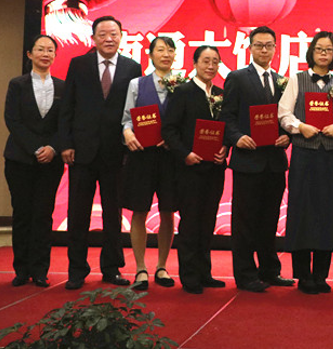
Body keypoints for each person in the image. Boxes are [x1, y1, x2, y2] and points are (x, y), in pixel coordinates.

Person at [59, 15, 142, 290]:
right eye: (103, 34)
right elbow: (67, 106)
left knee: (113, 214)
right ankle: (76, 270)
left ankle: (111, 268)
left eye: (114, 34)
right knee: (78, 213)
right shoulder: (78, 64)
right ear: (93, 38)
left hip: (116, 152)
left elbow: (136, 109)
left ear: (121, 36)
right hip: (82, 152)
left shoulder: (132, 67)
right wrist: (66, 143)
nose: (109, 39)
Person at [220, 26, 294, 292]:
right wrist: (237, 137)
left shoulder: (283, 80)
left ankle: (270, 271)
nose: (264, 50)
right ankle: (245, 274)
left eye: (269, 45)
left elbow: (288, 118)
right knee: (245, 221)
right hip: (247, 160)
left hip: (274, 162)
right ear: (250, 48)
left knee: (269, 220)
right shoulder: (237, 77)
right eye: (259, 45)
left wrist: (288, 136)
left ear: (275, 49)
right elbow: (227, 116)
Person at [278, 31, 333, 294]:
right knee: (302, 211)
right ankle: (303, 274)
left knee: (328, 212)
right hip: (304, 153)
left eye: (328, 50)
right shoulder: (297, 79)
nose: (323, 54)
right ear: (311, 51)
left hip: (330, 154)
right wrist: (299, 126)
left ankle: (321, 274)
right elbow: (283, 113)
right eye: (319, 49)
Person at [162, 45, 228, 294]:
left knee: (208, 221)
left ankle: (204, 272)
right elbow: (169, 129)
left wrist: (225, 148)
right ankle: (189, 276)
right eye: (206, 61)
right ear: (195, 64)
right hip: (189, 168)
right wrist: (185, 154)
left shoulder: (221, 94)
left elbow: (227, 128)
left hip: (214, 169)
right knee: (190, 222)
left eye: (215, 62)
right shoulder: (183, 92)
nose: (210, 66)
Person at [3, 34, 65, 288]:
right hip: (20, 159)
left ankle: (40, 270)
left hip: (51, 161)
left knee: (43, 215)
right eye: (40, 49)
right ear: (30, 54)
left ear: (55, 56)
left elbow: (65, 123)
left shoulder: (63, 87)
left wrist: (53, 148)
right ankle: (21, 269)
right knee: (22, 214)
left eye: (50, 50)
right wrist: (35, 148)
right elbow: (12, 120)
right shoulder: (17, 85)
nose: (45, 54)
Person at [120, 36, 179, 291]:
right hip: (141, 156)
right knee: (139, 210)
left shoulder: (183, 85)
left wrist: (175, 140)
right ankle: (141, 268)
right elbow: (126, 118)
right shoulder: (137, 84)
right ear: (150, 54)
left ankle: (162, 266)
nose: (166, 54)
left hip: (170, 158)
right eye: (160, 50)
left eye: (170, 50)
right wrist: (128, 133)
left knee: (168, 211)